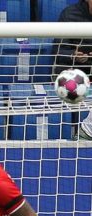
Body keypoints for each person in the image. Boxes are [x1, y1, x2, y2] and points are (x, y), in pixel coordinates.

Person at [55, 0, 92, 140]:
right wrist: (73, 55)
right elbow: (58, 50)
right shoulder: (69, 14)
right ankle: (86, 132)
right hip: (74, 72)